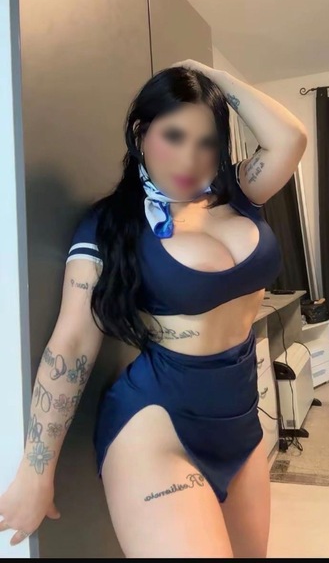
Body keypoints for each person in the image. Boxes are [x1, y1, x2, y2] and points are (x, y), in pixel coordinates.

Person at [0, 59, 307, 557]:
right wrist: (36, 472)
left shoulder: (239, 193)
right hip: (157, 426)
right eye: (174, 135)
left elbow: (290, 138)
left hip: (241, 423)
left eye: (206, 142)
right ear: (142, 132)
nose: (189, 158)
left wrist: (209, 76)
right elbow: (72, 344)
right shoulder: (109, 224)